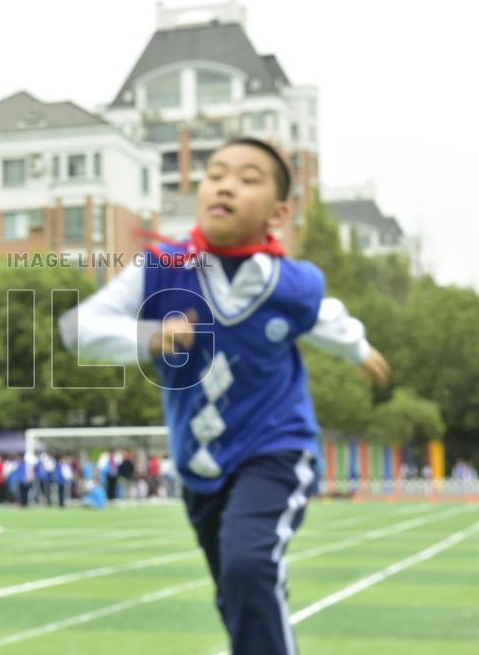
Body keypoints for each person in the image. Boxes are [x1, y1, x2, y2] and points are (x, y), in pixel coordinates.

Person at [59, 137, 390, 655]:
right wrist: (150, 336)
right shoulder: (160, 268)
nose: (227, 184)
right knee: (238, 593)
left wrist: (361, 349)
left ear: (279, 211)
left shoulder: (293, 284)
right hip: (201, 467)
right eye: (215, 173)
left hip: (276, 450)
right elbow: (79, 327)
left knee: (249, 564)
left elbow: (328, 317)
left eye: (248, 177)